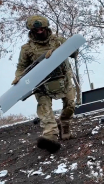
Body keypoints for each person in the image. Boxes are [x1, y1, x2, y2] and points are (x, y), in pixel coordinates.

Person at [12, 15, 78, 153]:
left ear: (46, 27)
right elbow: (21, 66)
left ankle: (64, 126)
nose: (40, 31)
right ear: (31, 31)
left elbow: (74, 53)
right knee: (44, 110)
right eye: (37, 30)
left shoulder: (58, 41)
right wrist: (18, 77)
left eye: (42, 29)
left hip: (63, 79)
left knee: (70, 105)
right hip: (42, 85)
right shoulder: (27, 49)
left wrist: (66, 49)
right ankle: (50, 136)